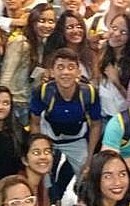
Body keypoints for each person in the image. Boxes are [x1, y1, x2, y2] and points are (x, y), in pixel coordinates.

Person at [30, 48, 102, 176]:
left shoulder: (89, 93)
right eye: (60, 67)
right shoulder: (43, 92)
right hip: (49, 139)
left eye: (71, 67)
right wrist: (40, 149)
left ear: (78, 72)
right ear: (52, 72)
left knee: (84, 177)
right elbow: (35, 123)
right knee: (44, 177)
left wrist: (89, 158)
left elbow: (96, 125)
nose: (65, 72)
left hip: (77, 141)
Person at [1, 3, 56, 125]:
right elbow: (6, 75)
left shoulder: (41, 45)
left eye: (51, 21)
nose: (47, 25)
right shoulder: (20, 43)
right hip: (15, 103)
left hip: (28, 103)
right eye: (42, 20)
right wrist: (4, 102)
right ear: (33, 22)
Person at [96, 11, 130, 120]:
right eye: (114, 28)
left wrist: (117, 83)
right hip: (102, 117)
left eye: (123, 32)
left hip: (124, 121)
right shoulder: (102, 53)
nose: (116, 34)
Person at [45, 10, 96, 78]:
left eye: (79, 26)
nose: (75, 31)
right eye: (70, 27)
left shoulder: (91, 55)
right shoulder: (55, 58)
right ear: (62, 31)